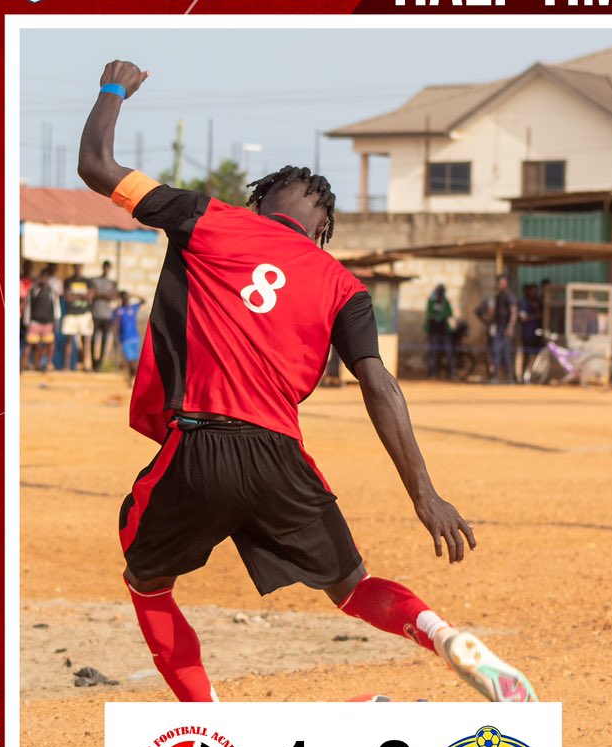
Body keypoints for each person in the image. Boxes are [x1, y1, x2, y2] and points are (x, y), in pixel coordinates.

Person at [77, 59, 537, 705]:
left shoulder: (210, 219)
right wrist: (425, 496)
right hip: (281, 458)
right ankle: (439, 634)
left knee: (146, 579)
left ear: (259, 202)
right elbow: (381, 387)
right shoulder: (343, 285)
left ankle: (211, 723)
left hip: (201, 444)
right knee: (353, 588)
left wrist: (113, 88)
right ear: (323, 233)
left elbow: (96, 165)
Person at [22, 267, 61, 371]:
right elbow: (28, 306)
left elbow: (55, 306)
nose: (44, 279)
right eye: (42, 277)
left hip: (48, 322)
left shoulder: (51, 291)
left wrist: (55, 321)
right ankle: (24, 364)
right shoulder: (34, 290)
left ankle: (43, 364)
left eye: (46, 277)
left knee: (49, 343)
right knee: (30, 344)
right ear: (40, 278)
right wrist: (27, 321)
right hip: (35, 322)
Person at [61, 263, 94, 371]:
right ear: (73, 268)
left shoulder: (88, 281)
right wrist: (82, 296)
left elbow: (90, 296)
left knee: (86, 341)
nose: (78, 269)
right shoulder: (68, 280)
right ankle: (66, 366)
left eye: (80, 267)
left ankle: (85, 365)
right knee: (69, 340)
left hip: (84, 314)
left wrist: (75, 296)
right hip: (71, 313)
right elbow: (68, 298)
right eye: (76, 267)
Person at [89, 260, 118, 371]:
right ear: (103, 267)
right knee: (93, 338)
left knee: (105, 339)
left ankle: (100, 363)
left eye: (108, 268)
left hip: (107, 314)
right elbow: (92, 294)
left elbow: (114, 296)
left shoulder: (112, 282)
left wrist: (100, 294)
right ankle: (93, 361)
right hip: (96, 313)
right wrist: (105, 295)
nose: (106, 270)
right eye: (105, 267)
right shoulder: (95, 280)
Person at [490, 274, 517, 384]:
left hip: (506, 328)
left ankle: (510, 378)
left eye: (499, 283)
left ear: (504, 283)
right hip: (499, 327)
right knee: (496, 352)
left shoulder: (509, 296)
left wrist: (510, 327)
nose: (497, 285)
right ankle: (496, 377)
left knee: (506, 353)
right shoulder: (498, 296)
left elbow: (514, 313)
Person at [113, 290, 145, 379]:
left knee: (135, 359)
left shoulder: (133, 308)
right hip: (124, 339)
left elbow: (143, 300)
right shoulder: (118, 311)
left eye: (127, 298)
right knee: (130, 360)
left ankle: (133, 378)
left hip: (135, 337)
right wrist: (115, 338)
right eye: (125, 298)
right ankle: (134, 377)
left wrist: (133, 294)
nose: (127, 299)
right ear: (121, 299)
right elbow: (115, 325)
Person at [424, 284, 454, 379]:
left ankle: (451, 374)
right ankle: (433, 374)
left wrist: (442, 315)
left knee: (448, 352)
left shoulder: (445, 302)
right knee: (433, 353)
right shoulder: (431, 302)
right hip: (434, 331)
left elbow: (450, 313)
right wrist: (435, 316)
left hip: (444, 331)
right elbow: (429, 314)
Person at [518, 283, 542, 382]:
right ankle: (523, 377)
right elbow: (522, 318)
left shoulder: (539, 303)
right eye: (532, 291)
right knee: (526, 356)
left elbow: (543, 315)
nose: (533, 293)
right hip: (527, 334)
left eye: (535, 291)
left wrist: (536, 310)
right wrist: (535, 316)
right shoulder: (524, 303)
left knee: (537, 357)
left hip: (538, 334)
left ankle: (534, 377)